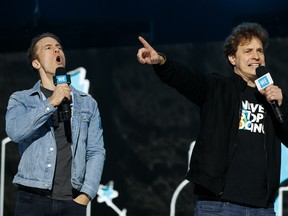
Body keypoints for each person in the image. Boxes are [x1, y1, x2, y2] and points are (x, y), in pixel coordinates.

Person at [137, 22, 288, 215]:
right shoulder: (218, 88)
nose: (256, 56)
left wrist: (282, 105)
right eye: (248, 51)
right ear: (232, 58)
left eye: (260, 51)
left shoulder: (273, 98)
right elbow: (185, 79)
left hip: (263, 209)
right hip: (220, 205)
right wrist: (161, 62)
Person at [5, 32, 106, 216]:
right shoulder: (22, 99)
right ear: (36, 63)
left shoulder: (87, 103)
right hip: (32, 199)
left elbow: (96, 151)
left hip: (72, 202)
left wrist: (86, 194)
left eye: (59, 47)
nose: (56, 50)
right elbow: (15, 131)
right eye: (48, 48)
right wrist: (51, 102)